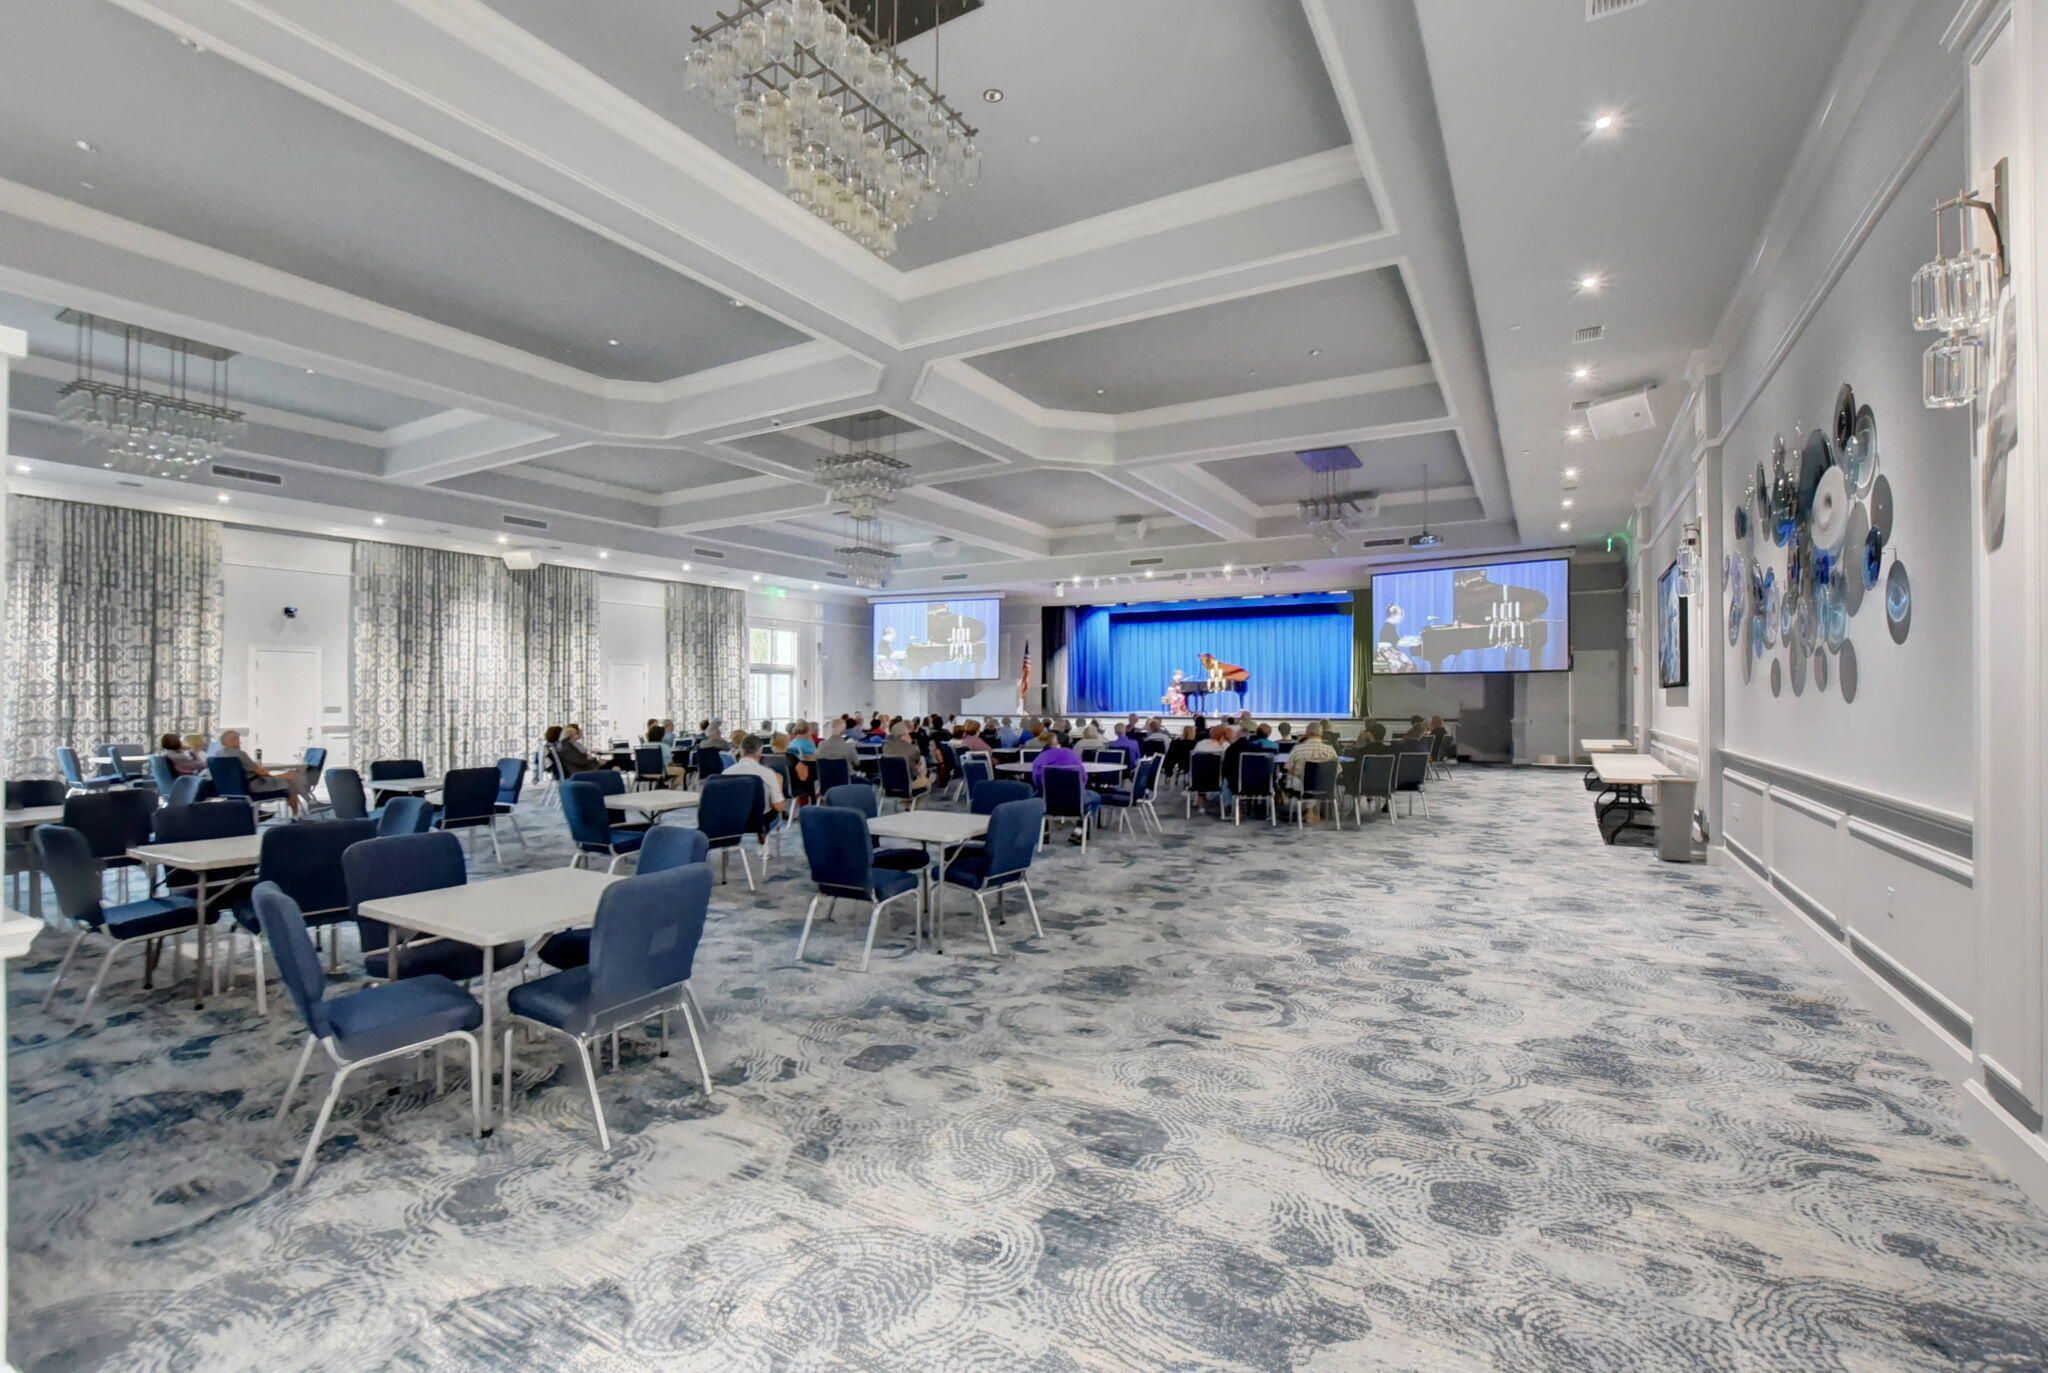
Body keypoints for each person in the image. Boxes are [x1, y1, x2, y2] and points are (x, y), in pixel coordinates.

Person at [210, 728, 309, 815]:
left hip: (229, 791)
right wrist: (280, 776)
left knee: (290, 777)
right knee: (291, 780)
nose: (239, 743)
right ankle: (296, 815)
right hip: (254, 787)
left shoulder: (216, 756)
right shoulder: (240, 754)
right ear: (232, 741)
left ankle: (308, 802)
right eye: (237, 740)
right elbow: (262, 773)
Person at [1285, 722, 1340, 822]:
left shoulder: (1298, 749)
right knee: (1315, 783)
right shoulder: (1330, 750)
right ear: (1321, 734)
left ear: (1307, 733)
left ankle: (1308, 812)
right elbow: (1338, 770)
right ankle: (1312, 812)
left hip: (1303, 786)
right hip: (1326, 786)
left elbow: (1289, 769)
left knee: (1295, 782)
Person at [881, 720, 931, 794]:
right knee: (926, 778)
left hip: (888, 786)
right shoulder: (913, 748)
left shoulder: (885, 748)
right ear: (905, 734)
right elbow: (917, 766)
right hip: (908, 785)